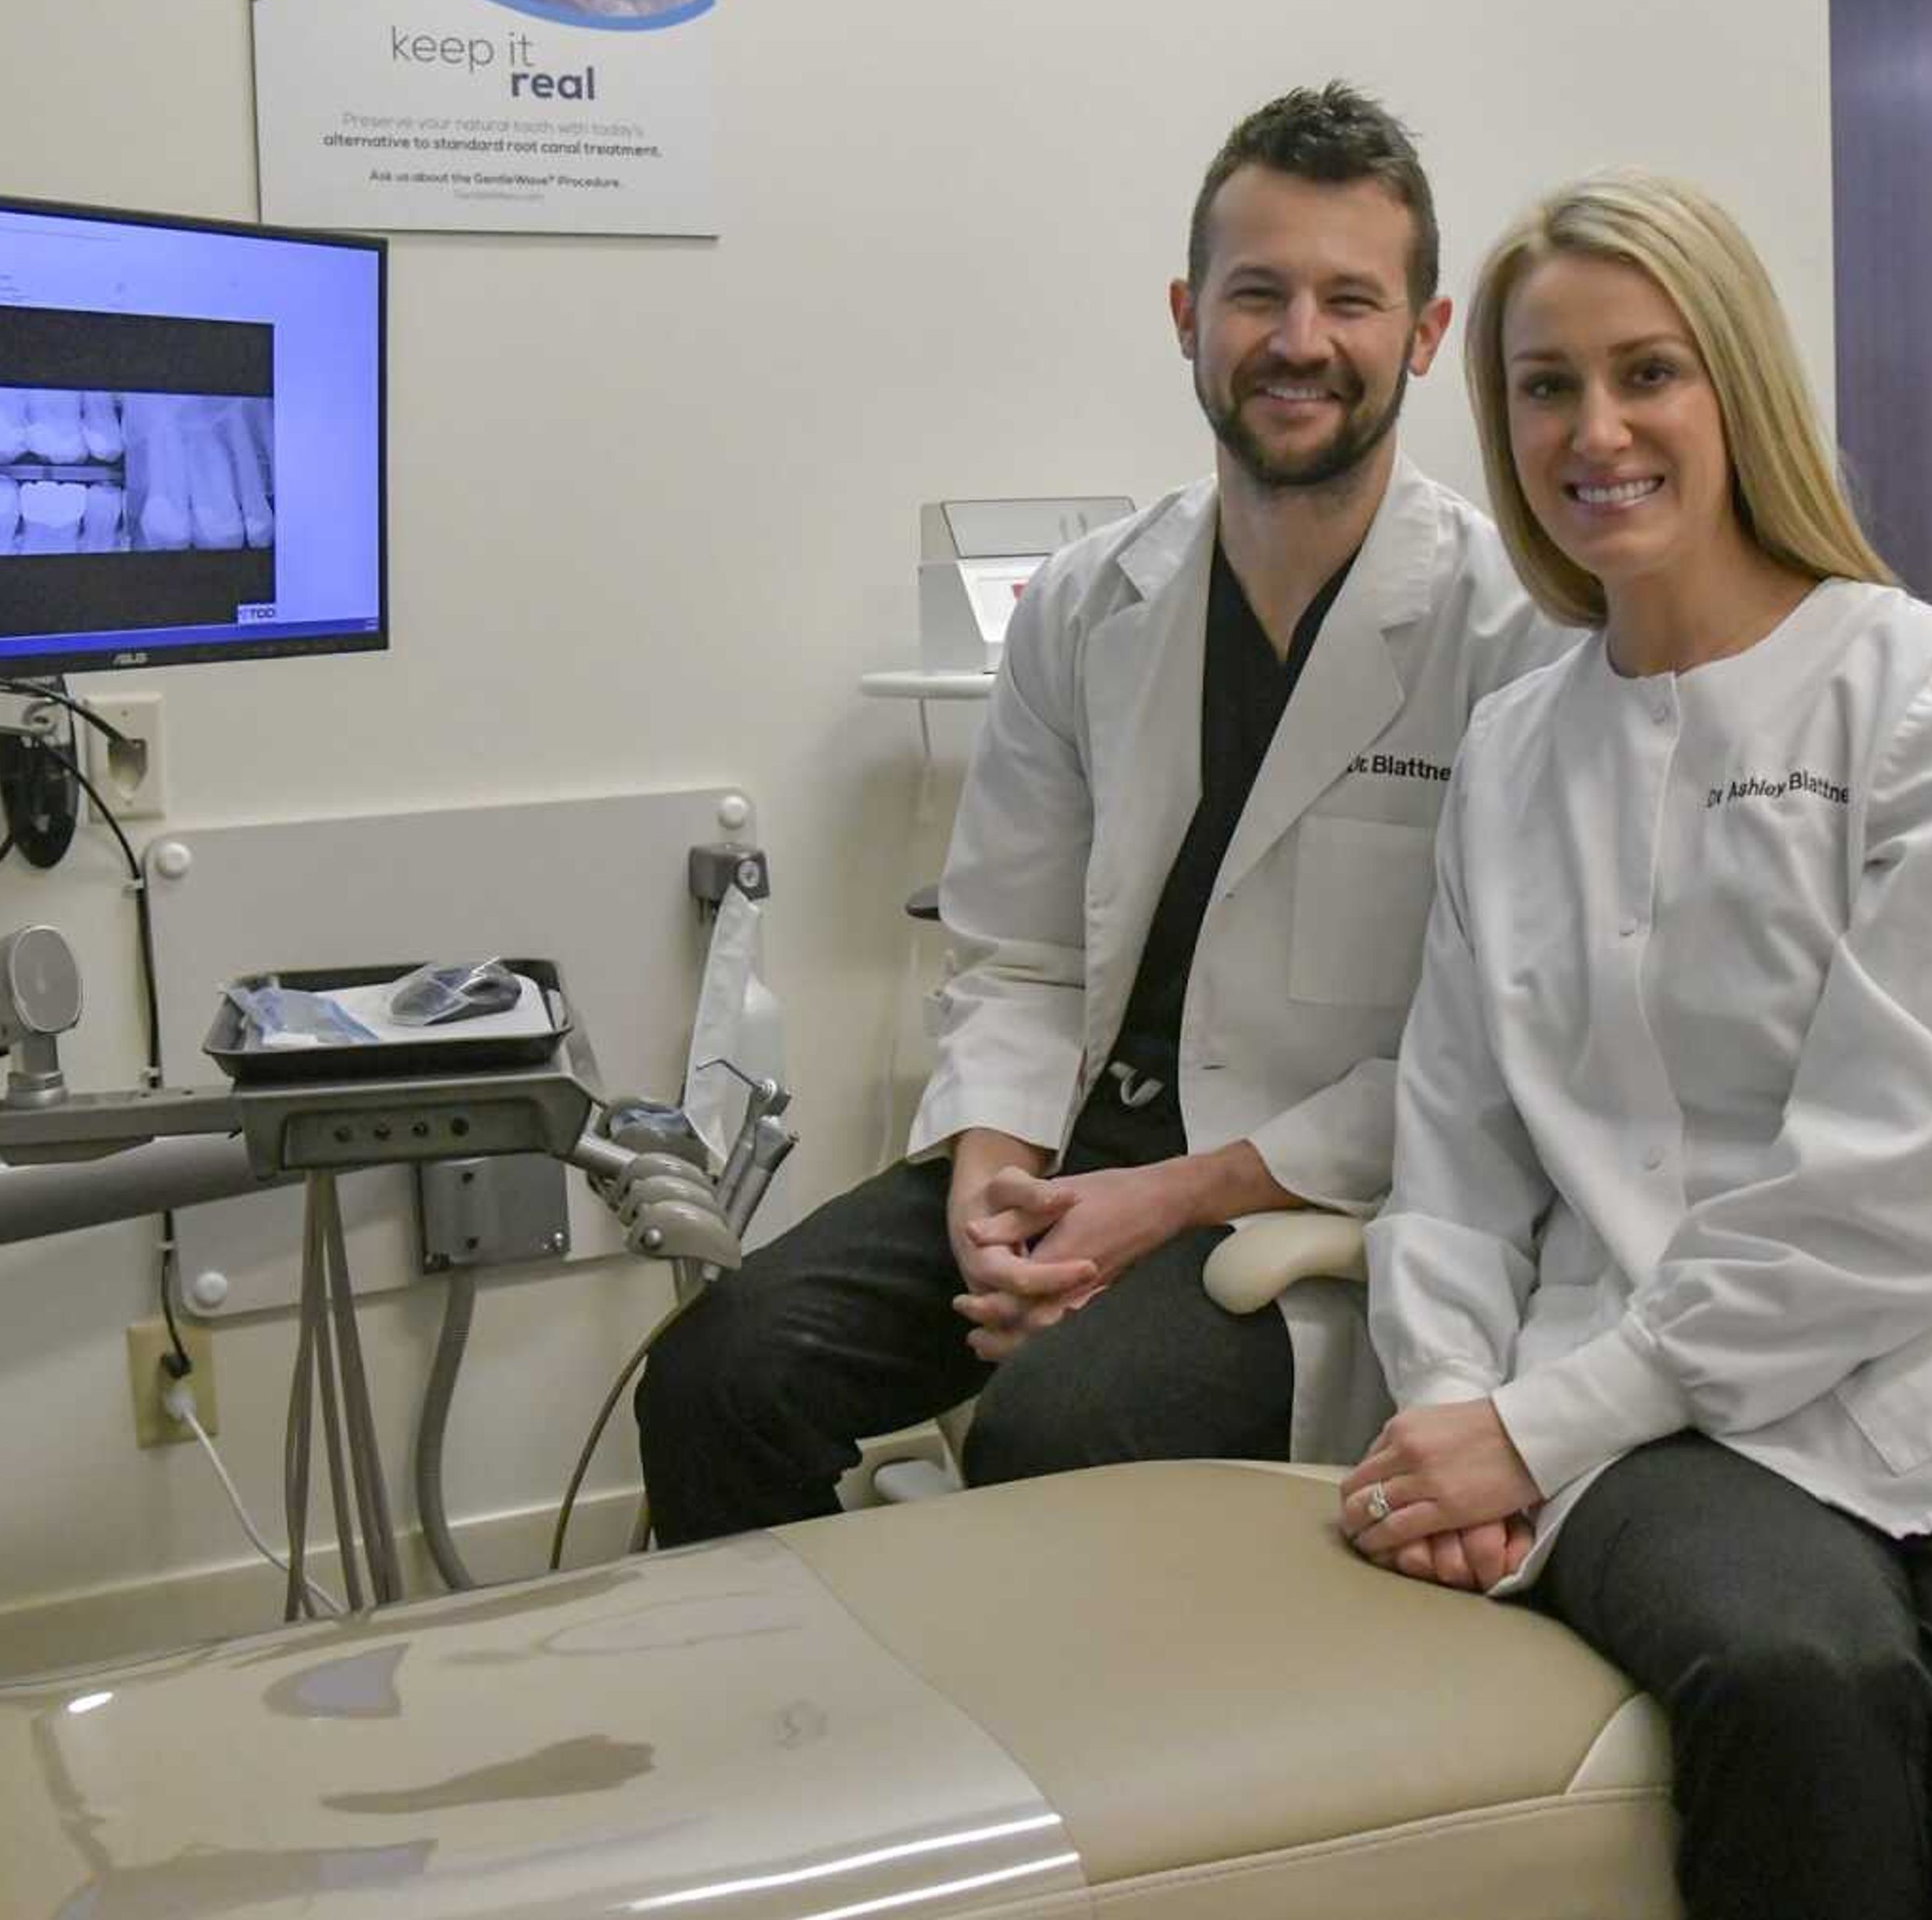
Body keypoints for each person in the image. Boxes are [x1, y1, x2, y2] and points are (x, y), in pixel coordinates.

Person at [1338, 170, 1932, 1919]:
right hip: (1673, 1406)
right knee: (1807, 1692)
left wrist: (1546, 1426)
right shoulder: (1514, 756)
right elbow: (1454, 1155)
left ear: (1738, 389)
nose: (1597, 429)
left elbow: (1912, 1165)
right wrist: (1458, 1411)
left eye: (1650, 373)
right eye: (1548, 387)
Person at [632, 84, 1569, 1548]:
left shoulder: (1510, 634)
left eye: (1350, 299)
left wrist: (1167, 1200)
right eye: (1258, 293)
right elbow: (1011, 950)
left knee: (1058, 1436)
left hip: (1297, 1198)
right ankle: (816, 1739)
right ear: (1190, 315)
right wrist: (992, 1173)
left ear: (1427, 336)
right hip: (1068, 1151)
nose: (1300, 341)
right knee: (719, 1376)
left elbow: (1478, 1052)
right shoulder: (1090, 603)